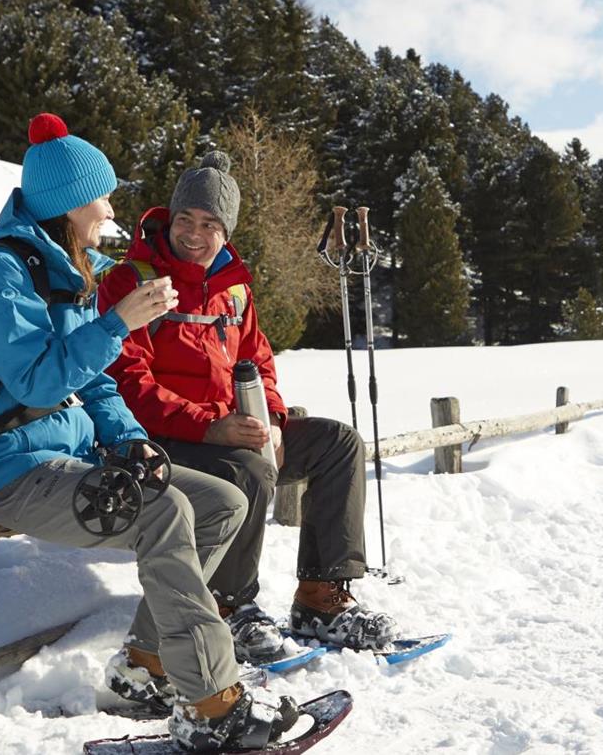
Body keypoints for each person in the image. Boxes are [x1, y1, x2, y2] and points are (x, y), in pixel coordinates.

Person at [0, 115, 296, 751]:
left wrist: (134, 441)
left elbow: (98, 382)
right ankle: (214, 703)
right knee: (162, 511)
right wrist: (117, 322)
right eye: (102, 195)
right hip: (11, 473)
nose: (111, 207)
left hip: (69, 457)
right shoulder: (0, 276)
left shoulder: (68, 267)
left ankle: (145, 666)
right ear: (72, 203)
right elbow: (36, 382)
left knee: (224, 502)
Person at [98, 151, 400, 665]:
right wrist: (213, 428)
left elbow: (257, 360)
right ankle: (229, 605)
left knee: (338, 442)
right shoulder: (132, 281)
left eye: (210, 224)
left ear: (227, 230)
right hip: (160, 440)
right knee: (249, 467)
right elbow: (128, 383)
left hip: (231, 429)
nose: (194, 234)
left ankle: (320, 598)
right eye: (186, 220)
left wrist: (274, 420)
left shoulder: (233, 288)